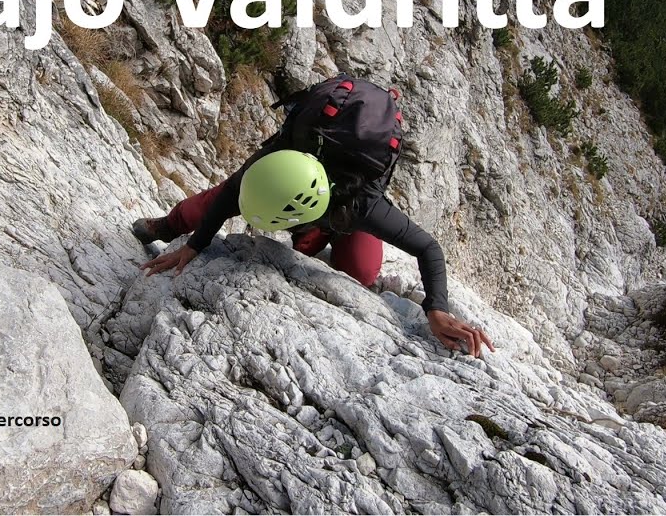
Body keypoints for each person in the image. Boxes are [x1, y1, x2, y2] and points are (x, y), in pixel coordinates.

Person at [133, 77, 494, 358]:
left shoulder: (363, 207)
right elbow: (229, 195)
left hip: (337, 209)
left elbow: (428, 248)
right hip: (302, 184)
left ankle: (313, 239)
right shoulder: (273, 162)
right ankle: (165, 223)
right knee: (209, 205)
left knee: (362, 272)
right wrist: (193, 245)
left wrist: (437, 309)